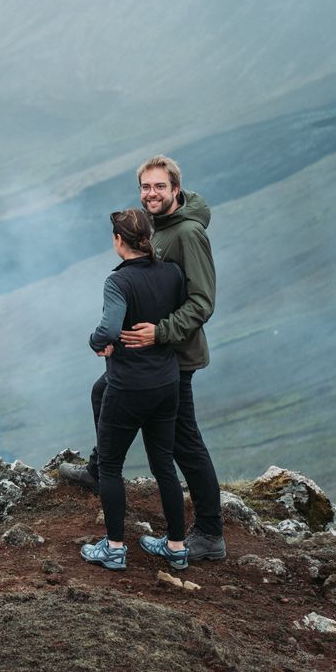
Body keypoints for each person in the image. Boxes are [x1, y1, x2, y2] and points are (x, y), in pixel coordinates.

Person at [62, 155, 226, 561]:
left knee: (184, 445)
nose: (151, 194)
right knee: (103, 391)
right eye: (145, 187)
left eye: (159, 187)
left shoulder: (187, 234)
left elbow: (203, 301)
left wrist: (161, 332)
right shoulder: (161, 228)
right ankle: (100, 469)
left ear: (175, 189)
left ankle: (209, 532)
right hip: (152, 355)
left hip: (175, 357)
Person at [79, 209, 188, 570]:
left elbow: (109, 329)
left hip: (128, 387)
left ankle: (114, 549)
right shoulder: (171, 272)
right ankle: (175, 547)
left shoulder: (118, 282)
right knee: (164, 466)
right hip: (167, 383)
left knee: (109, 467)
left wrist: (97, 341)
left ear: (118, 241)